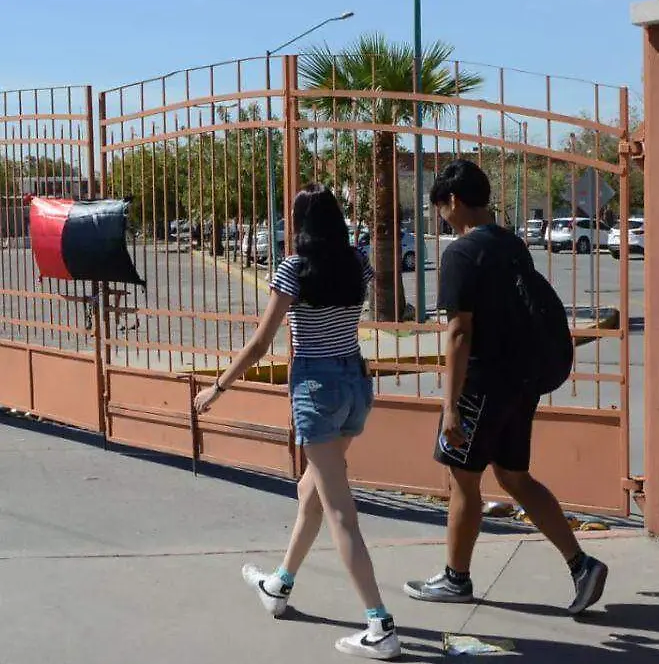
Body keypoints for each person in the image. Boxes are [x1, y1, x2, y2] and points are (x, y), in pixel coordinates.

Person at [192, 185, 401, 660]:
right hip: (354, 384)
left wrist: (218, 387)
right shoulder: (357, 263)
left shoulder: (294, 269)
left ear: (301, 222)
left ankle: (379, 625)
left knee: (340, 511)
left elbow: (260, 343)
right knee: (312, 490)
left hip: (317, 388)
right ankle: (279, 585)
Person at [404, 160, 608, 615]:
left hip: (481, 384)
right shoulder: (511, 244)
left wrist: (451, 406)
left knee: (463, 480)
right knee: (514, 476)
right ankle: (581, 565)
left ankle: (456, 579)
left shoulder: (461, 254)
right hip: (521, 381)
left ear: (453, 201)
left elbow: (460, 333)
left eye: (440, 208)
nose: (442, 217)